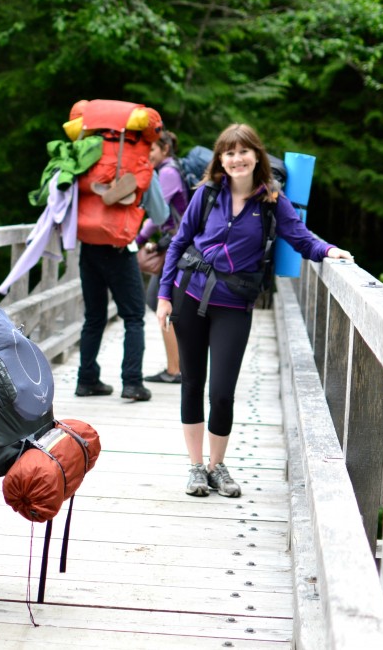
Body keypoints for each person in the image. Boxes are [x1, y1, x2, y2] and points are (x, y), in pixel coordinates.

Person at [155, 124, 353, 498]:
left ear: (257, 156)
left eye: (243, 151)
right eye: (229, 153)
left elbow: (300, 237)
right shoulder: (207, 194)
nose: (236, 159)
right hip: (189, 295)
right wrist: (164, 296)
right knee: (193, 383)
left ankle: (218, 466)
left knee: (223, 391)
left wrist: (329, 251)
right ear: (221, 160)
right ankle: (197, 467)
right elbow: (180, 242)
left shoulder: (273, 201)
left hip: (233, 305)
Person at [135, 130, 189, 385]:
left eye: (152, 150)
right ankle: (178, 365)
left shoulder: (167, 173)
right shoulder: (171, 169)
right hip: (177, 245)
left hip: (179, 249)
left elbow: (156, 215)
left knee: (160, 304)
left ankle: (175, 369)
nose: (148, 155)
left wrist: (136, 241)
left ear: (165, 149)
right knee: (163, 304)